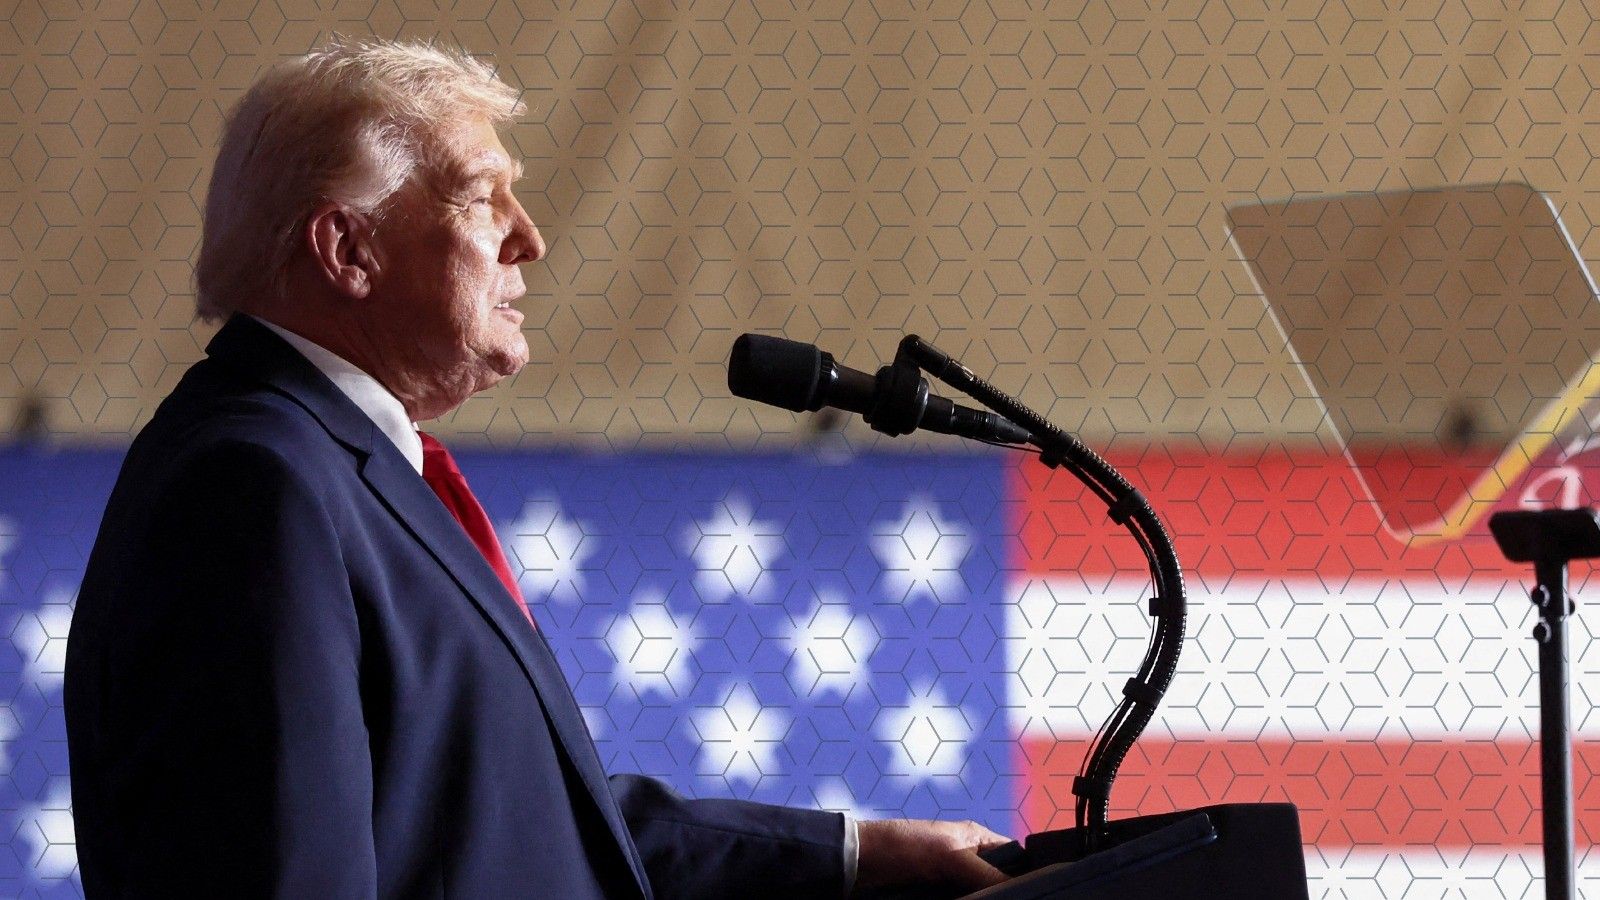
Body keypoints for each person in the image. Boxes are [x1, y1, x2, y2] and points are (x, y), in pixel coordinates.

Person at [63, 37, 1013, 898]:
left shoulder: (327, 464)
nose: (529, 237)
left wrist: (858, 855)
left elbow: (518, 829)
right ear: (348, 249)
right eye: (483, 195)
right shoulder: (254, 484)